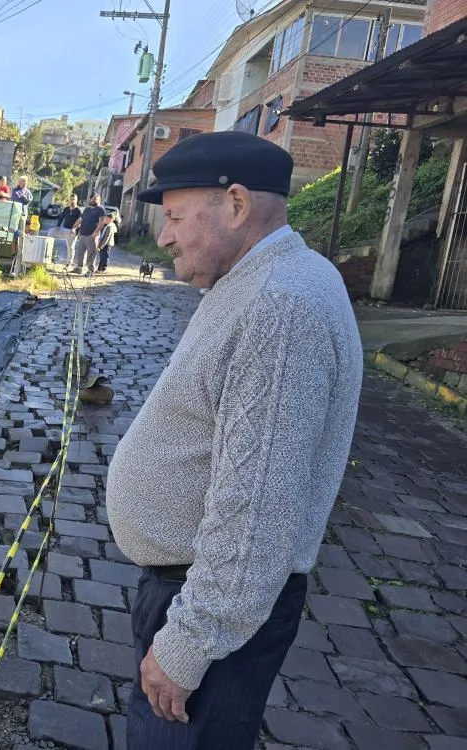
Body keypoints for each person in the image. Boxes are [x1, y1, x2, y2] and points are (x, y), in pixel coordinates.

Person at [104, 130, 362, 750]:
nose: (163, 237)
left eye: (174, 218)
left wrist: (188, 644)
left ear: (238, 205)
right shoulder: (265, 279)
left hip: (208, 608)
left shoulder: (280, 307)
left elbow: (256, 515)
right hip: (197, 592)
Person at [70, 193, 107, 274]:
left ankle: (90, 270)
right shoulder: (87, 209)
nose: (93, 199)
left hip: (92, 235)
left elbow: (101, 223)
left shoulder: (101, 209)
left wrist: (95, 233)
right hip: (82, 234)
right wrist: (74, 228)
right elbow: (80, 219)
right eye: (92, 198)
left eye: (95, 198)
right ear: (90, 200)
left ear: (99, 200)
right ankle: (79, 268)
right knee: (80, 253)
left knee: (91, 254)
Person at [57, 194, 82, 265]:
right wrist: (58, 226)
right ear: (69, 200)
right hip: (65, 229)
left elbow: (80, 222)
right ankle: (63, 260)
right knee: (66, 245)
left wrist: (75, 229)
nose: (72, 201)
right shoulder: (66, 209)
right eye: (71, 199)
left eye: (74, 199)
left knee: (71, 247)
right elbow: (61, 218)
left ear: (77, 200)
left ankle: (69, 262)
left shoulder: (78, 211)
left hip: (73, 231)